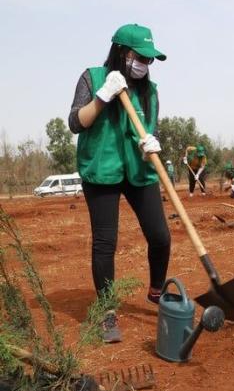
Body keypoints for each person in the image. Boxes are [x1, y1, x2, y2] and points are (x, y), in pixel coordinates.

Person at [68, 23, 170, 342]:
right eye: (140, 57)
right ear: (122, 52)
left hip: (138, 170)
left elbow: (146, 127)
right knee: (105, 241)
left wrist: (150, 144)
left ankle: (156, 291)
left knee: (161, 236)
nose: (145, 64)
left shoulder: (150, 92)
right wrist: (101, 97)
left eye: (150, 60)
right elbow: (74, 123)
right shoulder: (93, 77)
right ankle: (107, 311)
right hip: (102, 170)